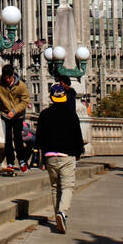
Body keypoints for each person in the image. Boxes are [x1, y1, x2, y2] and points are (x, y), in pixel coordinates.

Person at [34, 82, 85, 233]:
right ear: (64, 96)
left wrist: (41, 158)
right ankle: (62, 212)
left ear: (51, 97)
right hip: (66, 155)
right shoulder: (71, 114)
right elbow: (77, 136)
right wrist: (78, 152)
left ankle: (58, 216)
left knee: (55, 187)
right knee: (67, 186)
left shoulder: (44, 114)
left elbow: (39, 138)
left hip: (50, 156)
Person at [0, 63, 31, 174]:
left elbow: (25, 101)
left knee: (18, 138)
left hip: (17, 116)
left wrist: (15, 111)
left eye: (9, 78)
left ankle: (22, 160)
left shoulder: (21, 85)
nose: (7, 80)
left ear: (12, 76)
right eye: (5, 78)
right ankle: (10, 162)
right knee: (8, 139)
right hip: (5, 115)